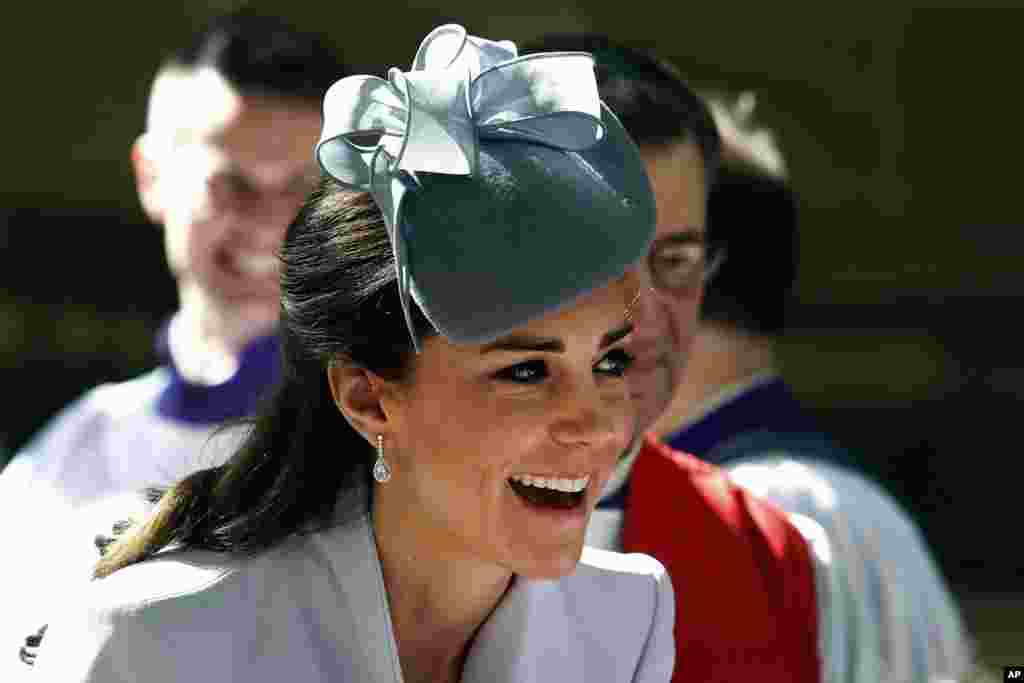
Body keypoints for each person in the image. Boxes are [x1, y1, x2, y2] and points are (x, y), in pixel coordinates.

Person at [32, 24, 674, 683]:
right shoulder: (148, 639)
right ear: (368, 397)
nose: (601, 425)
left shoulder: (627, 618)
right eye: (526, 370)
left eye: (610, 363)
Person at [525, 33, 973, 683]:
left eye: (676, 261)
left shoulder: (770, 536)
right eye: (606, 262)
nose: (643, 313)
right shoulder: (380, 525)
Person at [0, 10, 346, 676]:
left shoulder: (386, 439)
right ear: (152, 177)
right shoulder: (68, 452)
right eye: (231, 183)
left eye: (301, 188)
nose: (269, 223)